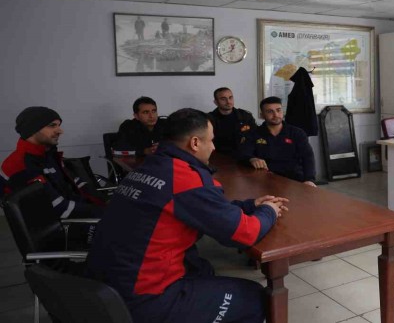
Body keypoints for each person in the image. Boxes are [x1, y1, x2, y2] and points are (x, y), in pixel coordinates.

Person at [86, 108, 288, 323]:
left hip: (102, 286)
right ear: (195, 143)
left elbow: (197, 207)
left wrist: (249, 205)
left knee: (202, 268)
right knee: (255, 298)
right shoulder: (185, 178)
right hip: (142, 298)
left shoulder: (148, 167)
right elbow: (244, 233)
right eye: (211, 140)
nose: (213, 147)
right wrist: (269, 211)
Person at [1, 107, 104, 218]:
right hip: (63, 224)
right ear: (32, 130)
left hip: (80, 215)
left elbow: (75, 184)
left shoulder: (48, 155)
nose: (60, 131)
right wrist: (104, 212)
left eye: (58, 125)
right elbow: (57, 209)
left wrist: (104, 202)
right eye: (52, 125)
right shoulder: (19, 165)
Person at [239, 97, 317, 187]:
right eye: (270, 111)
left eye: (278, 110)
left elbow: (308, 157)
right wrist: (252, 159)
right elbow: (243, 154)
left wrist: (309, 179)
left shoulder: (297, 133)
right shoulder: (254, 133)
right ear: (262, 115)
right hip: (265, 180)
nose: (276, 114)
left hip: (294, 181)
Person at [207, 87, 255, 155]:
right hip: (219, 156)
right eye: (223, 99)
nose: (228, 101)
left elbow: (255, 136)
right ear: (216, 102)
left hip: (245, 154)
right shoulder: (209, 119)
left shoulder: (245, 116)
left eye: (230, 97)